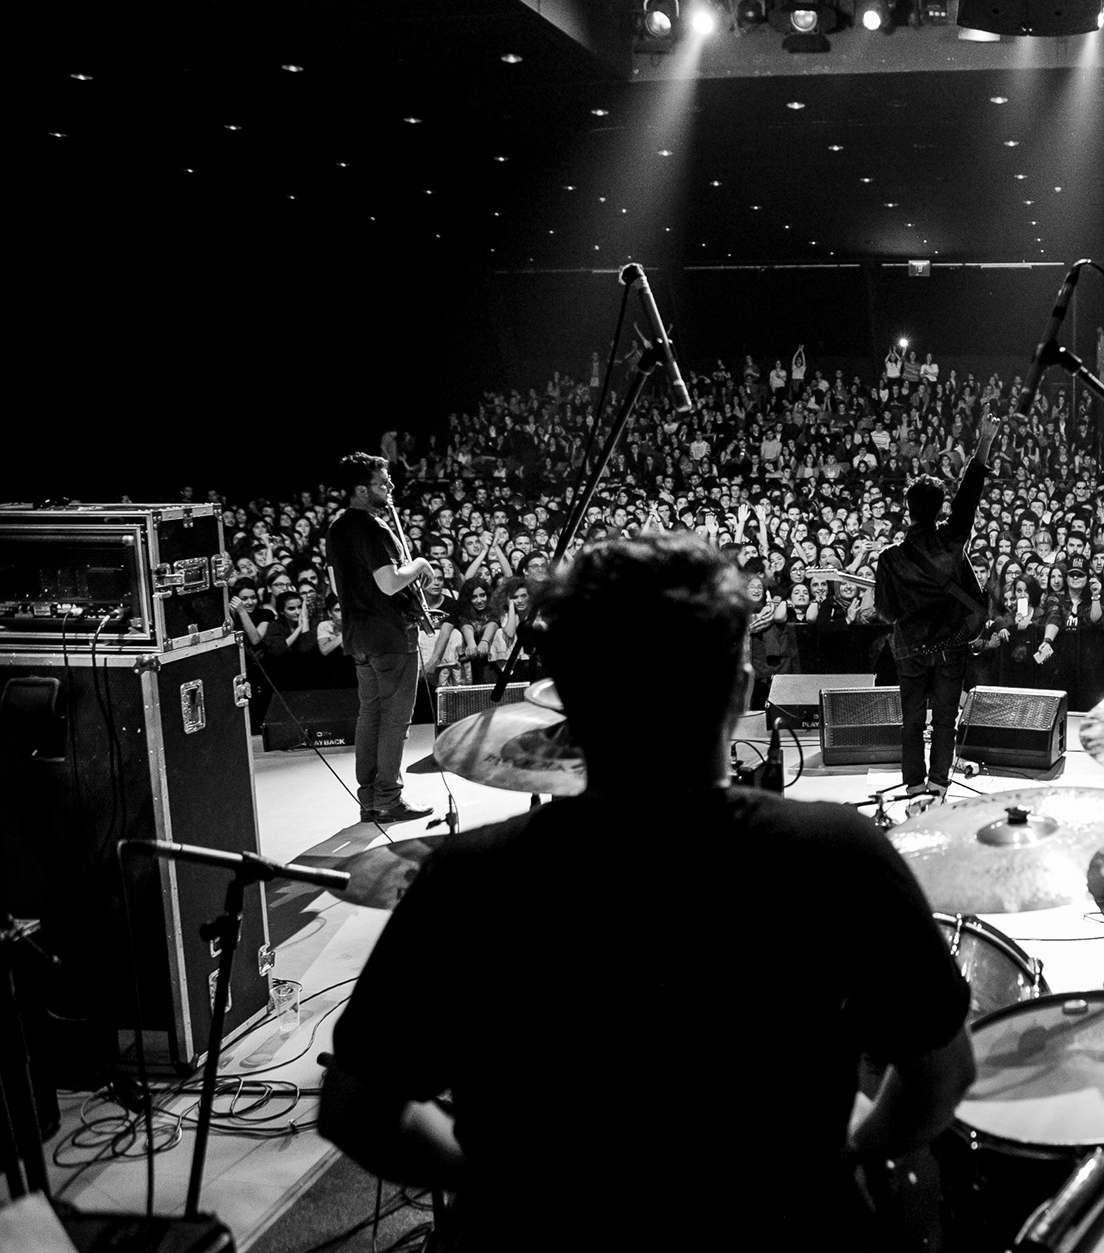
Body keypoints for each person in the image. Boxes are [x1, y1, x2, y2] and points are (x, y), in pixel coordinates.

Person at [319, 534, 976, 1252]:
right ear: (740, 689)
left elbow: (356, 1110)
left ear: (564, 698)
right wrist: (851, 1149)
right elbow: (941, 1075)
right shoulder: (837, 855)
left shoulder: (468, 878)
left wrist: (498, 1181)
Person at [875, 415, 1003, 796]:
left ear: (908, 509)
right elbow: (970, 493)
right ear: (939, 509)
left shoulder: (889, 558)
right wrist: (984, 441)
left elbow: (885, 611)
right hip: (950, 647)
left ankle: (915, 789)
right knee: (945, 721)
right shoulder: (951, 538)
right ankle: (938, 786)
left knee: (912, 723)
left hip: (910, 650)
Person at [326, 453, 433, 825]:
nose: (390, 487)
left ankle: (370, 800)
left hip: (359, 637)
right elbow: (389, 583)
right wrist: (419, 564)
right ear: (361, 489)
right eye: (383, 482)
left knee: (370, 715)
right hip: (389, 636)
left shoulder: (337, 528)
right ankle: (388, 798)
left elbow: (336, 585)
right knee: (394, 721)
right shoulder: (373, 527)